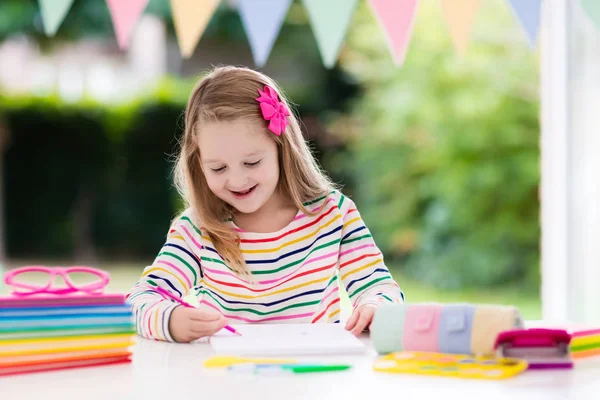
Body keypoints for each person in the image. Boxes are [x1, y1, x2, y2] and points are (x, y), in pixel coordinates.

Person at [127, 65, 404, 343]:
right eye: (218, 168)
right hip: (226, 380)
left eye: (252, 162)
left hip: (314, 379)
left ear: (281, 147)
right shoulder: (197, 230)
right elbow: (139, 301)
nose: (237, 180)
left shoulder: (334, 214)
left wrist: (375, 306)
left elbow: (379, 287)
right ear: (198, 163)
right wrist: (170, 320)